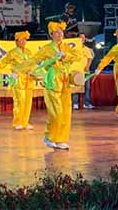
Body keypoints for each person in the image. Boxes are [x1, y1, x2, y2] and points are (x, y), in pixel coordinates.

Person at [14, 21, 81, 150]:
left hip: (65, 81)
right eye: (57, 32)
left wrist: (65, 56)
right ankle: (49, 137)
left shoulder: (66, 47)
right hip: (53, 81)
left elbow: (78, 56)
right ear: (51, 34)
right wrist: (18, 70)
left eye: (61, 32)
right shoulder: (47, 49)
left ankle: (60, 139)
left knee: (66, 112)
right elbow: (33, 60)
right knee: (56, 112)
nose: (60, 34)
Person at [0, 31, 35, 129]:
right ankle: (17, 122)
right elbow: (2, 63)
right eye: (21, 40)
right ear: (16, 41)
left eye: (25, 40)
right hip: (18, 78)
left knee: (28, 101)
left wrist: (35, 73)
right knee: (20, 101)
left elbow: (33, 64)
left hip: (29, 79)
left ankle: (25, 122)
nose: (23, 42)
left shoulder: (28, 52)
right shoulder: (12, 53)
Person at [72, 33, 95, 110]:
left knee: (87, 87)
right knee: (76, 87)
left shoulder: (86, 49)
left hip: (85, 71)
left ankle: (86, 103)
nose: (82, 39)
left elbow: (90, 58)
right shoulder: (73, 49)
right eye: (81, 37)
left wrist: (87, 67)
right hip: (76, 71)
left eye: (83, 38)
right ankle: (75, 103)